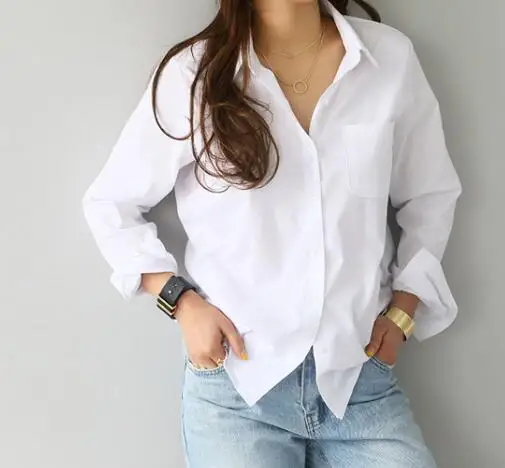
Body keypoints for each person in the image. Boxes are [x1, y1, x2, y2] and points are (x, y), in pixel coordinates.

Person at [83, 0, 461, 466]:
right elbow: (111, 204)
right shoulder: (194, 74)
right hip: (238, 387)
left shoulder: (388, 60)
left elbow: (430, 196)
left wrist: (405, 309)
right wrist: (180, 301)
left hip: (357, 381)